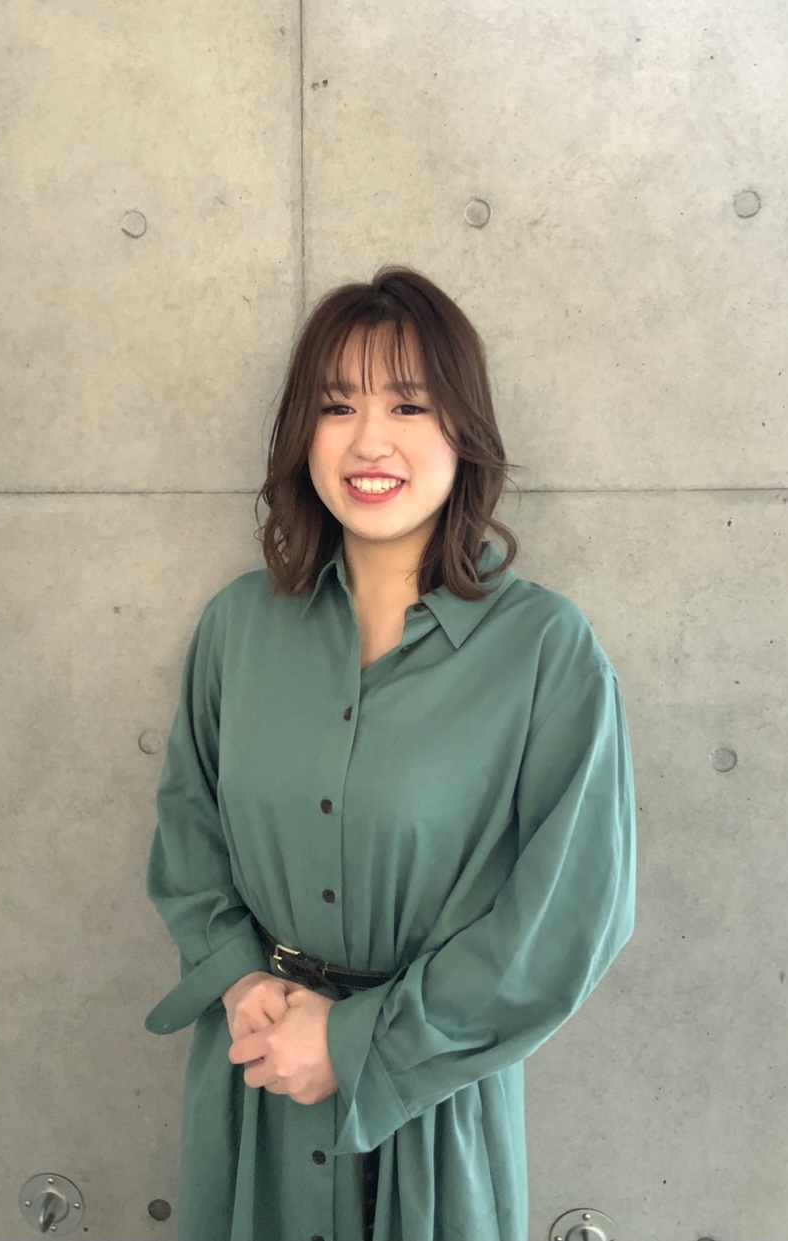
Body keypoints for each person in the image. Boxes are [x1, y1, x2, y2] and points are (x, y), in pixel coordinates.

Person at [144, 264, 636, 1241]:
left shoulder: (544, 650)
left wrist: (357, 1041)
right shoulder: (239, 628)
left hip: (430, 1105)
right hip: (257, 1083)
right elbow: (189, 830)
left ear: (463, 428)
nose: (370, 440)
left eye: (408, 404)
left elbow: (567, 918)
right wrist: (239, 976)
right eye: (337, 407)